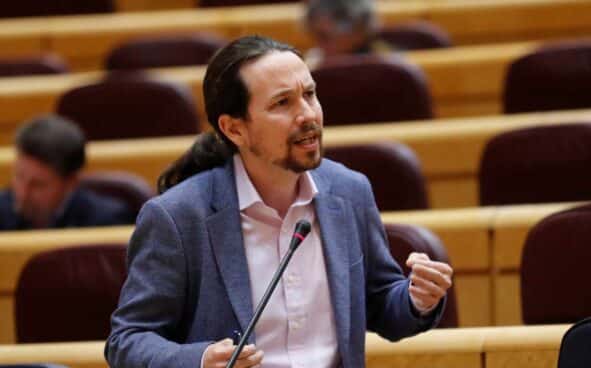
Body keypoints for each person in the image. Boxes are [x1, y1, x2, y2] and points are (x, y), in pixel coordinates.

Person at [105, 35, 453, 368]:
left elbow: (379, 302)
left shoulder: (349, 191)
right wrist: (197, 360)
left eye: (310, 94)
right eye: (282, 103)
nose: (308, 115)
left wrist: (415, 300)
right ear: (234, 129)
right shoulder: (178, 217)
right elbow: (127, 340)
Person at [0, 115, 135, 230]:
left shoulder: (106, 222)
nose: (23, 194)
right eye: (19, 176)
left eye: (38, 185)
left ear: (71, 182)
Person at [303, 0, 392, 68]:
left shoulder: (387, 63)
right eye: (319, 36)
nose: (322, 44)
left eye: (324, 36)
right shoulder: (313, 63)